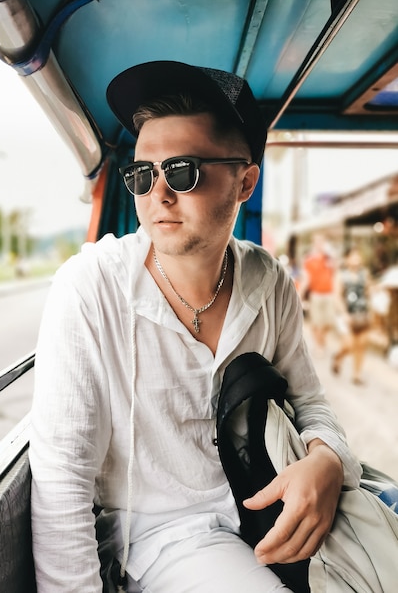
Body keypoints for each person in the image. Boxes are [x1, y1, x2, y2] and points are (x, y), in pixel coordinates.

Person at [29, 61, 361, 592]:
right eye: (142, 175)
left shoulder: (267, 281)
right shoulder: (92, 287)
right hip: (167, 540)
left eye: (183, 171)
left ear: (245, 181)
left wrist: (328, 461)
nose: (158, 195)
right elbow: (62, 480)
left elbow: (312, 404)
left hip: (270, 508)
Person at [332, 248, 371, 384]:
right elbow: (337, 296)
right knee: (348, 345)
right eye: (353, 256)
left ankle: (357, 375)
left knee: (361, 345)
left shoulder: (364, 273)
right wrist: (344, 314)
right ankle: (338, 357)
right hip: (346, 314)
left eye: (358, 256)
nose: (356, 259)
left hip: (362, 313)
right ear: (347, 258)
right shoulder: (341, 275)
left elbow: (368, 291)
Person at [299, 234, 337, 356]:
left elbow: (335, 274)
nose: (320, 244)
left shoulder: (329, 258)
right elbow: (306, 279)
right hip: (316, 295)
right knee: (317, 322)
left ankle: (321, 340)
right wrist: (300, 294)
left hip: (329, 294)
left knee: (329, 322)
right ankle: (319, 344)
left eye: (322, 241)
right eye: (317, 241)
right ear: (314, 243)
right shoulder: (309, 259)